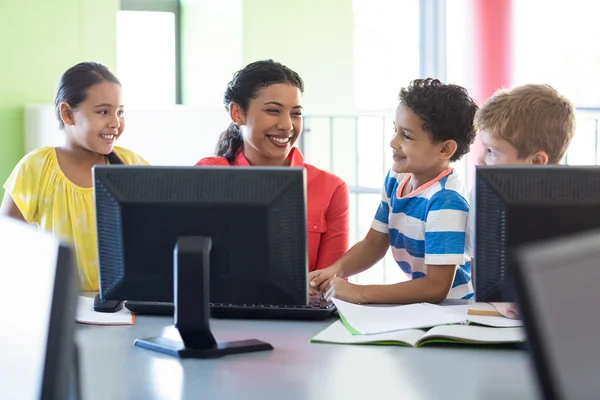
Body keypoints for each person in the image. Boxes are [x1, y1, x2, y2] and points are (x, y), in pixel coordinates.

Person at [309, 78, 478, 304]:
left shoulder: (446, 200)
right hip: (424, 306)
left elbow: (436, 287)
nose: (393, 142)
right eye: (395, 131)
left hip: (453, 309)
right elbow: (374, 243)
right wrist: (335, 270)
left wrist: (360, 293)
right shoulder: (397, 178)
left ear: (445, 149)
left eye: (406, 136)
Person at [0, 61, 149, 291]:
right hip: (60, 306)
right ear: (68, 114)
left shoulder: (133, 165)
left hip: (124, 306)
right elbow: (9, 244)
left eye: (120, 112)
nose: (115, 122)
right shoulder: (37, 167)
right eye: (103, 112)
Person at [196, 60, 349, 279]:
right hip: (219, 311)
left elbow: (331, 284)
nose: (287, 125)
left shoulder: (331, 188)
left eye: (296, 113)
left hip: (297, 313)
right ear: (237, 113)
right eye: (273, 111)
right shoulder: (206, 175)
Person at [466, 83, 576, 318]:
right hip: (502, 317)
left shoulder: (575, 200)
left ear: (536, 161)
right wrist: (499, 303)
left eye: (492, 152)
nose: (480, 160)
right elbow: (482, 279)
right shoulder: (483, 195)